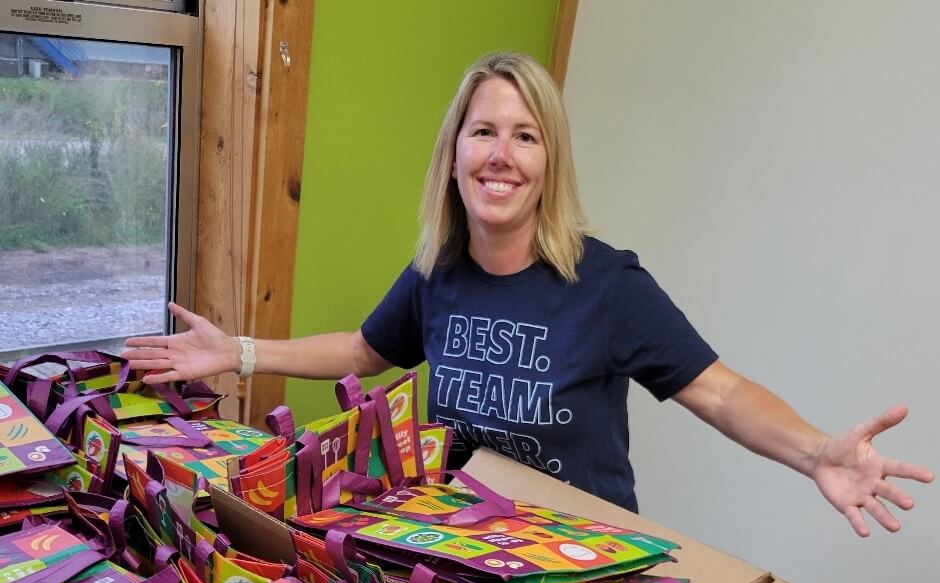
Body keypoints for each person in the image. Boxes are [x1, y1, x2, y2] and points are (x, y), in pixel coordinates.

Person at [124, 52, 932, 537]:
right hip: (465, 553)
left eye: (525, 134)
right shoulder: (438, 271)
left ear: (549, 162)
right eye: (483, 132)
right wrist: (240, 352)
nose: (500, 154)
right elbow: (365, 351)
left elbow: (720, 394)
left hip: (581, 564)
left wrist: (814, 451)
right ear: (454, 155)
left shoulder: (607, 283)